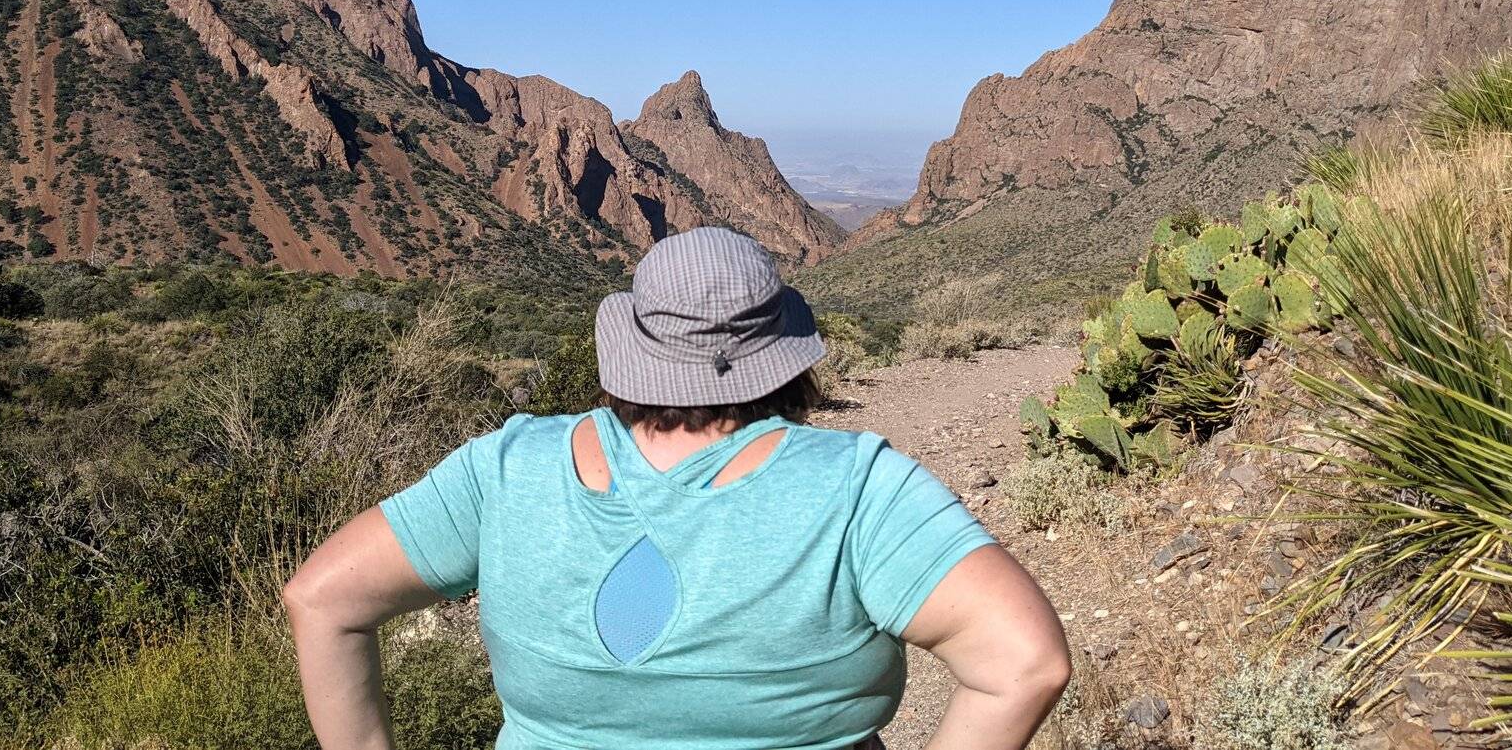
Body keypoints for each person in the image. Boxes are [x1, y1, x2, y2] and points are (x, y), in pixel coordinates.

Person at [285, 226, 1070, 749]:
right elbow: (1026, 661)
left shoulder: (506, 467)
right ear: (786, 352)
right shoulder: (860, 489)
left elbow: (321, 597)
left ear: (635, 346)